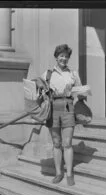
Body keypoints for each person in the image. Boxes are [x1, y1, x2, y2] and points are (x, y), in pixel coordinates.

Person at [40, 44, 83, 186]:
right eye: (61, 56)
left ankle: (70, 174)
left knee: (67, 143)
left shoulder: (73, 74)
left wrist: (80, 95)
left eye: (66, 56)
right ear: (56, 57)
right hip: (53, 109)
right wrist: (43, 93)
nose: (64, 58)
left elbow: (80, 92)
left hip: (68, 107)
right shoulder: (47, 74)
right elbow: (39, 92)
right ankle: (59, 173)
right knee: (56, 143)